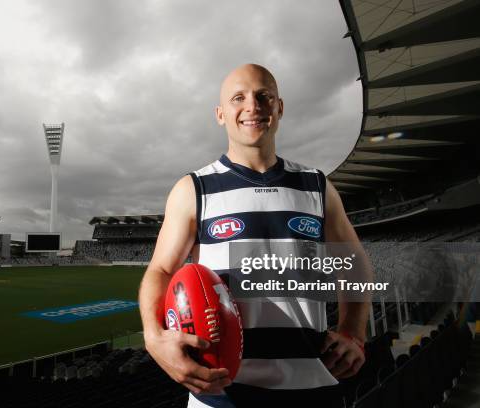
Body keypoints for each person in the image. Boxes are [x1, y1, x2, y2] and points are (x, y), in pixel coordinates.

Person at [138, 64, 371, 407]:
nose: (253, 106)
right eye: (238, 98)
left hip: (312, 387)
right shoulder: (194, 189)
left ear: (279, 107)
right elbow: (160, 271)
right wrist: (154, 338)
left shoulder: (317, 185)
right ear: (220, 114)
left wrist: (355, 331)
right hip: (220, 391)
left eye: (264, 96)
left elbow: (354, 264)